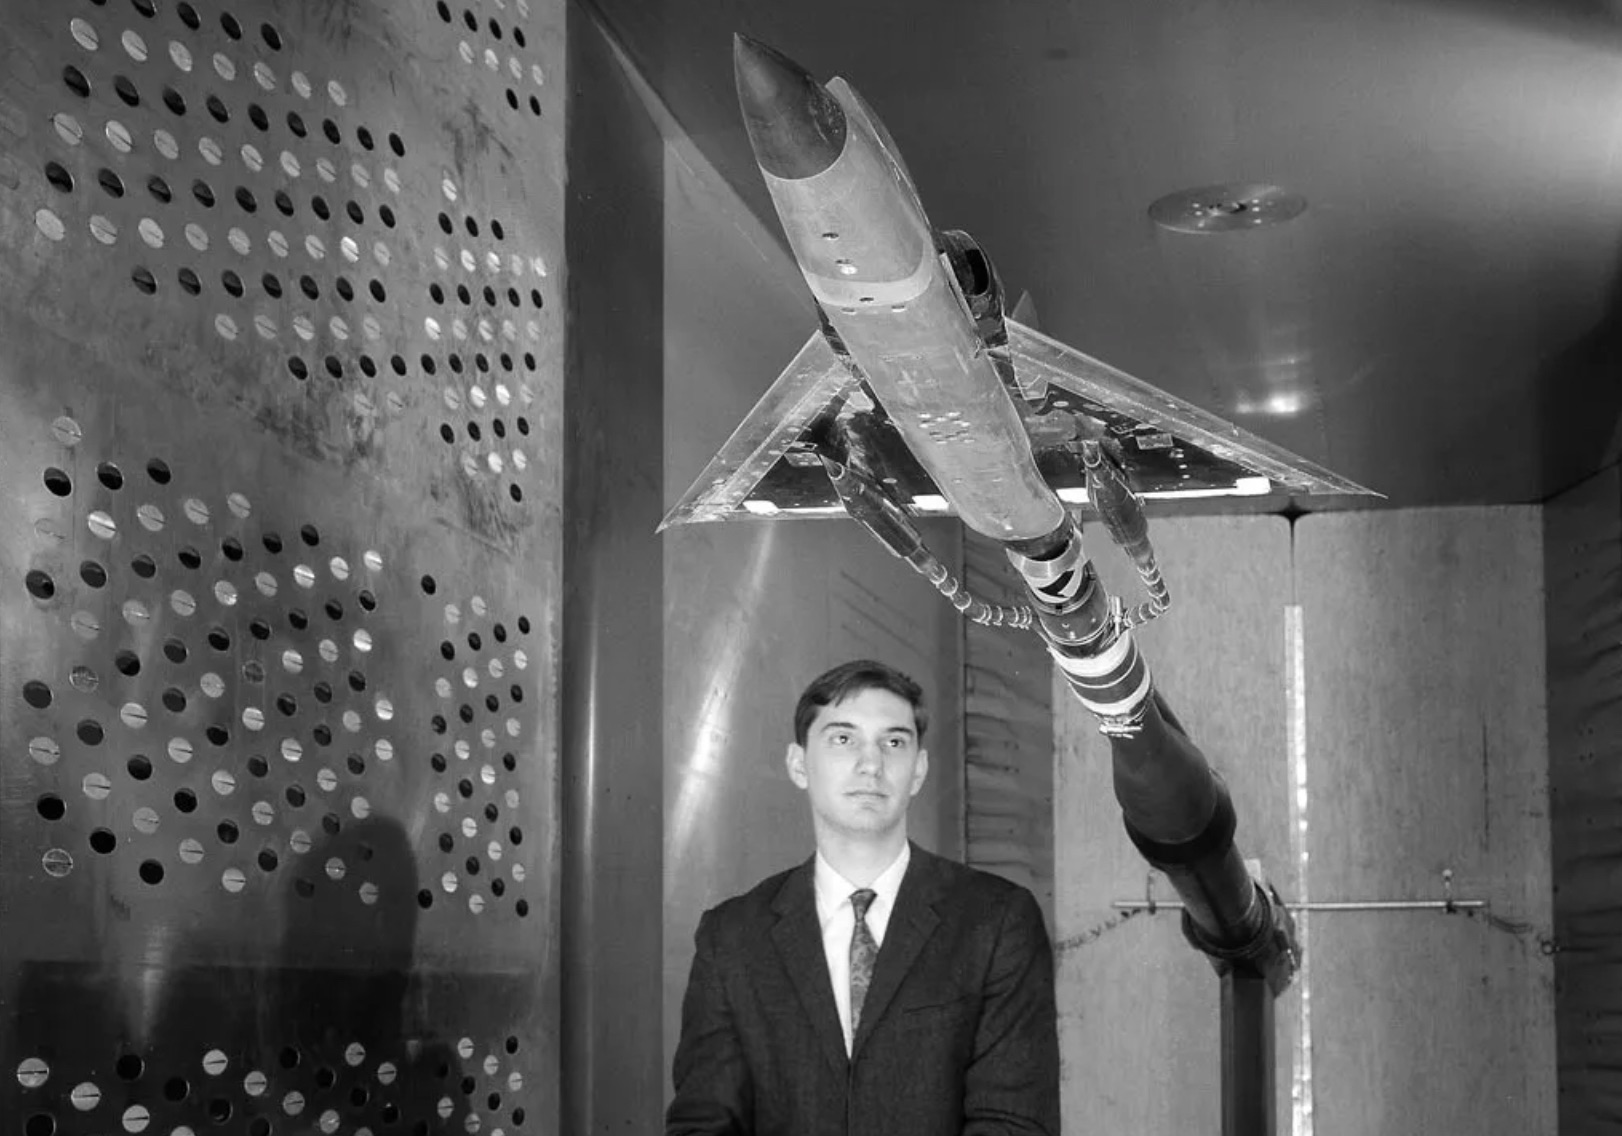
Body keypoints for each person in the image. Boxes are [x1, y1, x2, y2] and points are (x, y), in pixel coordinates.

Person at [666, 659, 1060, 1136]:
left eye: (893, 742)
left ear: (918, 770)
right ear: (798, 764)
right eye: (843, 738)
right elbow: (703, 1124)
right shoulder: (731, 936)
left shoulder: (996, 921)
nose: (870, 763)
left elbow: (1013, 1124)